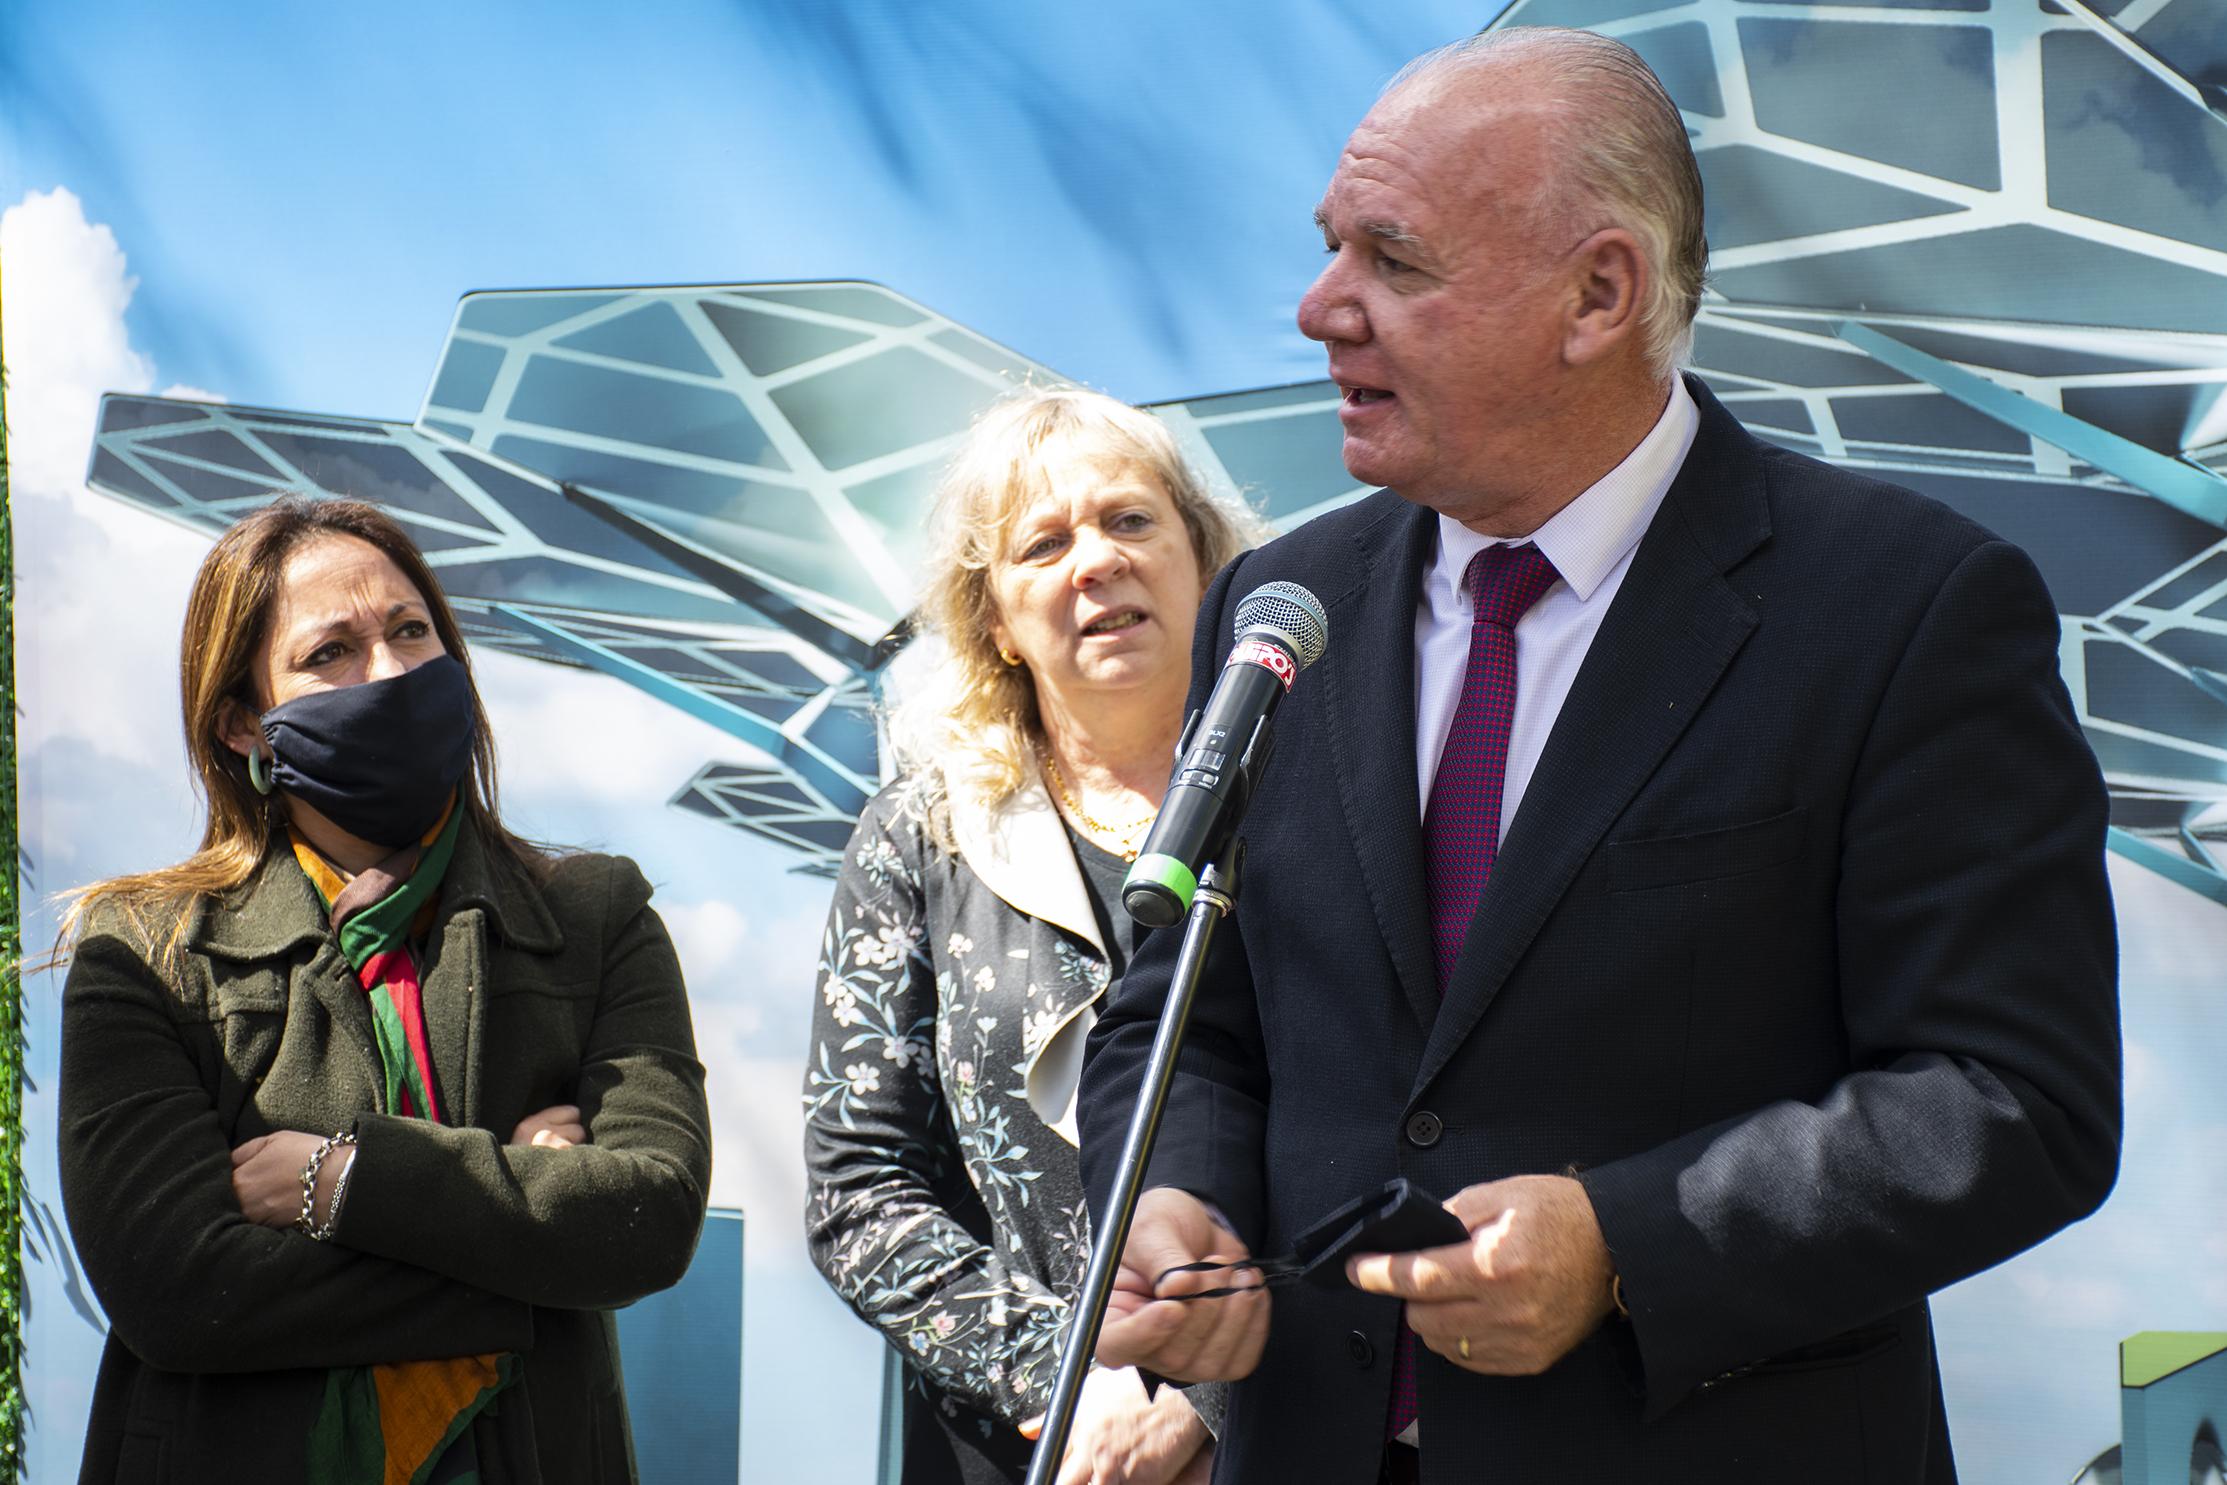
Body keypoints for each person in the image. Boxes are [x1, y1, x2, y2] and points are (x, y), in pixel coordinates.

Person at [1077, 27, 2120, 1485]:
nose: (1320, 309)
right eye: (1329, 249)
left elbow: (2011, 1099)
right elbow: (1182, 1012)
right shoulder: (1281, 605)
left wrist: (1626, 1244)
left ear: (1596, 293)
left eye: (1393, 259)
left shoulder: (1904, 607)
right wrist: (1177, 1191)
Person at [56, 497, 712, 1484]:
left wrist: (346, 1180)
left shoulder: (593, 914)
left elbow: (646, 1218)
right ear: (243, 721)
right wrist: (525, 1239)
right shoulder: (145, 948)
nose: (394, 671)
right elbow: (178, 1292)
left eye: (413, 631)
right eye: (331, 654)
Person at [803, 387, 1267, 1484]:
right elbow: (858, 1189)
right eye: (1043, 546)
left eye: (1129, 521)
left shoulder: (1322, 795)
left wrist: (1204, 1406)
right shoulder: (922, 836)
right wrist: (1073, 1378)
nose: (1094, 563)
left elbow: (1384, 1122)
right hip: (1028, 1452)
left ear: (1203, 559)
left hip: (1292, 1424)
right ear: (996, 624)